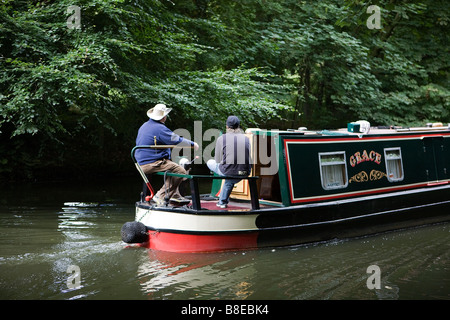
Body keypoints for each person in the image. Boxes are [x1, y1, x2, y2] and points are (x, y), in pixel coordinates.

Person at [135, 103, 199, 205]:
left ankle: (174, 194)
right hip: (152, 163)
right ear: (164, 117)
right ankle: (160, 195)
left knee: (173, 166)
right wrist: (193, 144)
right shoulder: (160, 128)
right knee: (180, 171)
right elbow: (176, 140)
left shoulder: (144, 126)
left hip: (140, 162)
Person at [207, 116, 251, 208]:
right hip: (245, 172)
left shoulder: (222, 138)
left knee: (210, 162)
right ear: (239, 126)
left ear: (227, 126)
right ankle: (222, 201)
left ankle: (222, 202)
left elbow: (217, 159)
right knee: (229, 179)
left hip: (229, 171)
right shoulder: (246, 139)